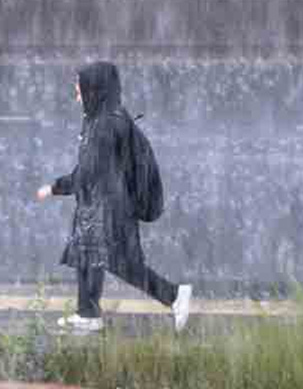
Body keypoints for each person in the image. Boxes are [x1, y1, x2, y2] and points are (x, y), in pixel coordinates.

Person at [36, 61, 191, 335]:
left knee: (124, 265)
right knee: (86, 257)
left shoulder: (105, 125)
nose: (76, 91)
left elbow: (88, 171)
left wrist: (56, 187)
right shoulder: (104, 118)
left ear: (94, 89)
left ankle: (175, 295)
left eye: (79, 86)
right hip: (98, 207)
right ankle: (87, 314)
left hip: (109, 211)